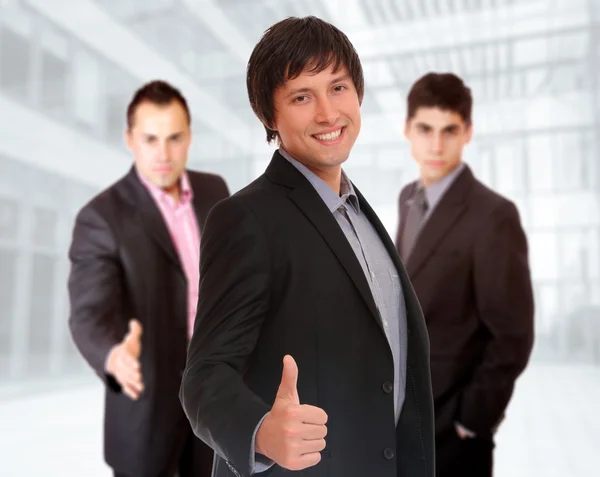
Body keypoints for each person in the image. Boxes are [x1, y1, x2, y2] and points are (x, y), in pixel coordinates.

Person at [180, 16, 434, 477]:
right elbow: (204, 377)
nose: (327, 113)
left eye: (338, 88)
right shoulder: (247, 220)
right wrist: (259, 433)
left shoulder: (363, 216)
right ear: (270, 117)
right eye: (302, 97)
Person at [67, 80, 230, 477]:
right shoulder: (102, 217)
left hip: (214, 399)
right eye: (150, 139)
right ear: (129, 139)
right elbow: (88, 313)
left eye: (174, 138)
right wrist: (113, 356)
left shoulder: (215, 191)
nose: (163, 153)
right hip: (146, 412)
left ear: (189, 137)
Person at [395, 72, 535, 477]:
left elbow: (513, 335)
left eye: (449, 131)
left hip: (454, 430)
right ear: (407, 130)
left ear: (468, 132)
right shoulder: (407, 198)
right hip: (406, 417)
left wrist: (471, 420)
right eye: (425, 129)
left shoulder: (493, 216)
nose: (436, 145)